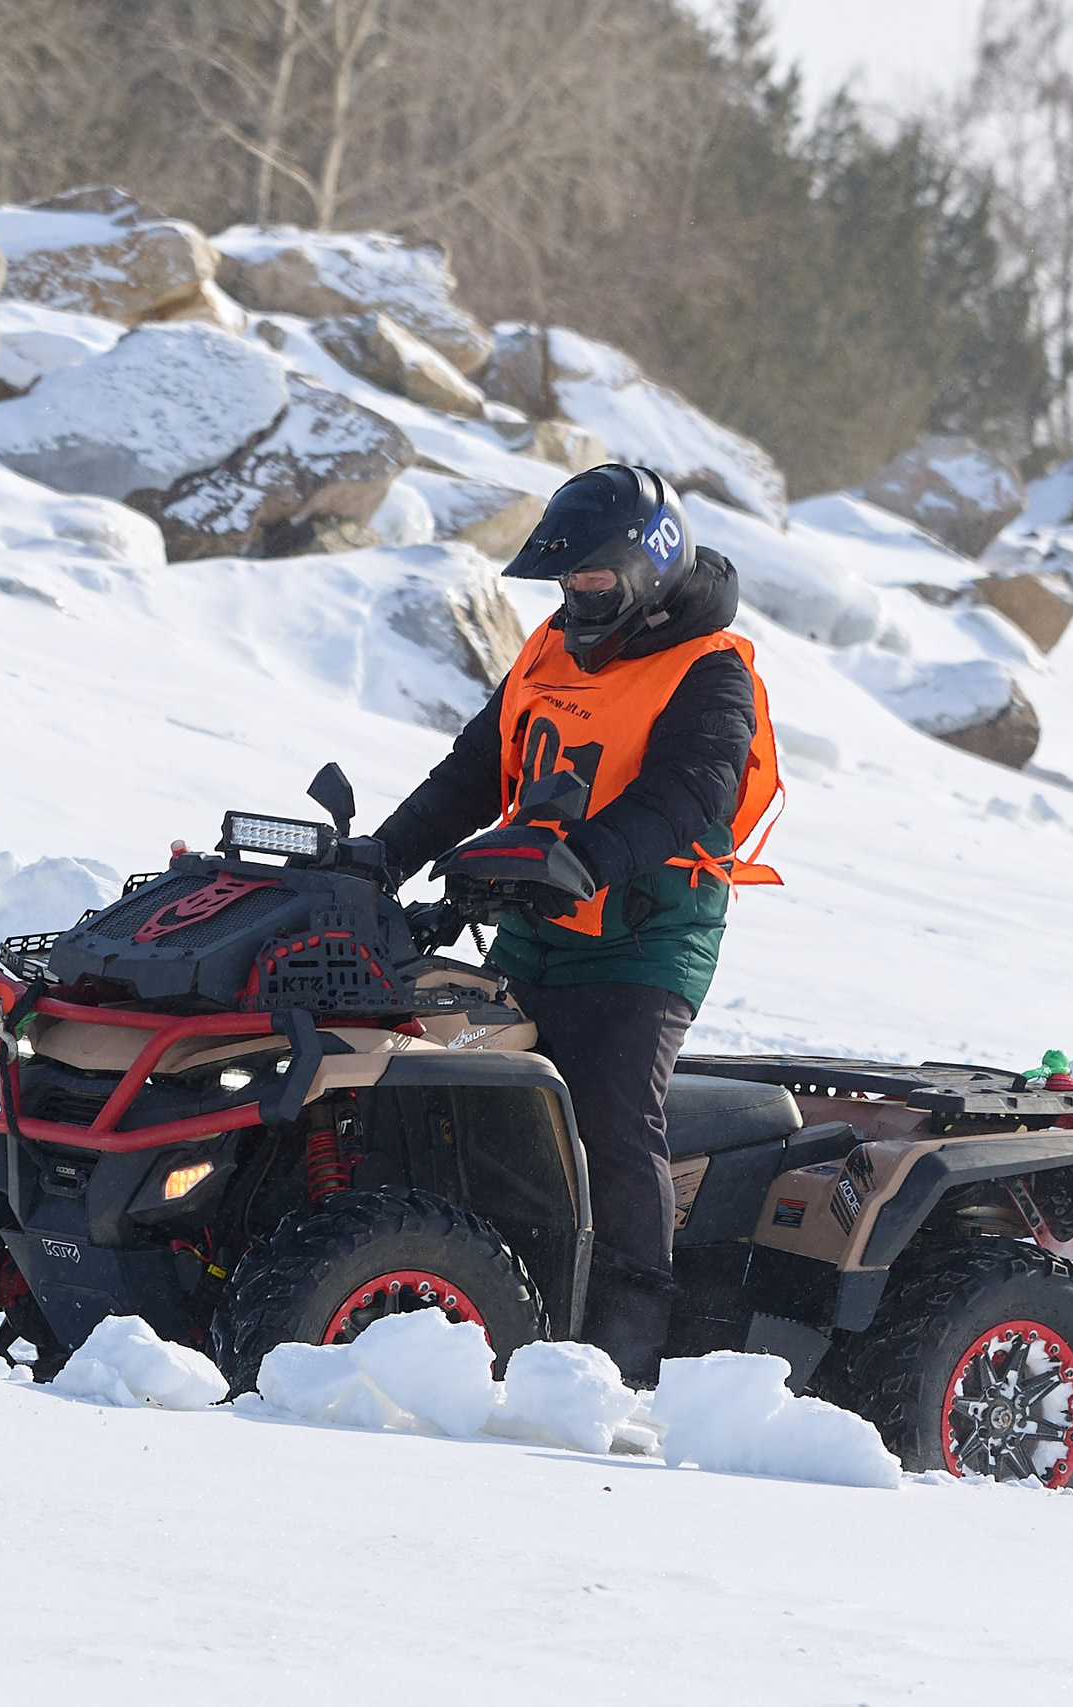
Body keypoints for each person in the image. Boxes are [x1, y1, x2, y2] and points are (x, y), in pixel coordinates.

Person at [374, 463, 780, 1383]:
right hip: (532, 917)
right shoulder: (549, 647)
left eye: (594, 581)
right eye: (568, 583)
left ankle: (631, 1347)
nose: (577, 598)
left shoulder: (710, 671)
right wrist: (380, 858)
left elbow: (694, 791)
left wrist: (587, 860)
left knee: (609, 1113)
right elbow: (473, 773)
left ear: (651, 565)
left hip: (646, 934)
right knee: (458, 1091)